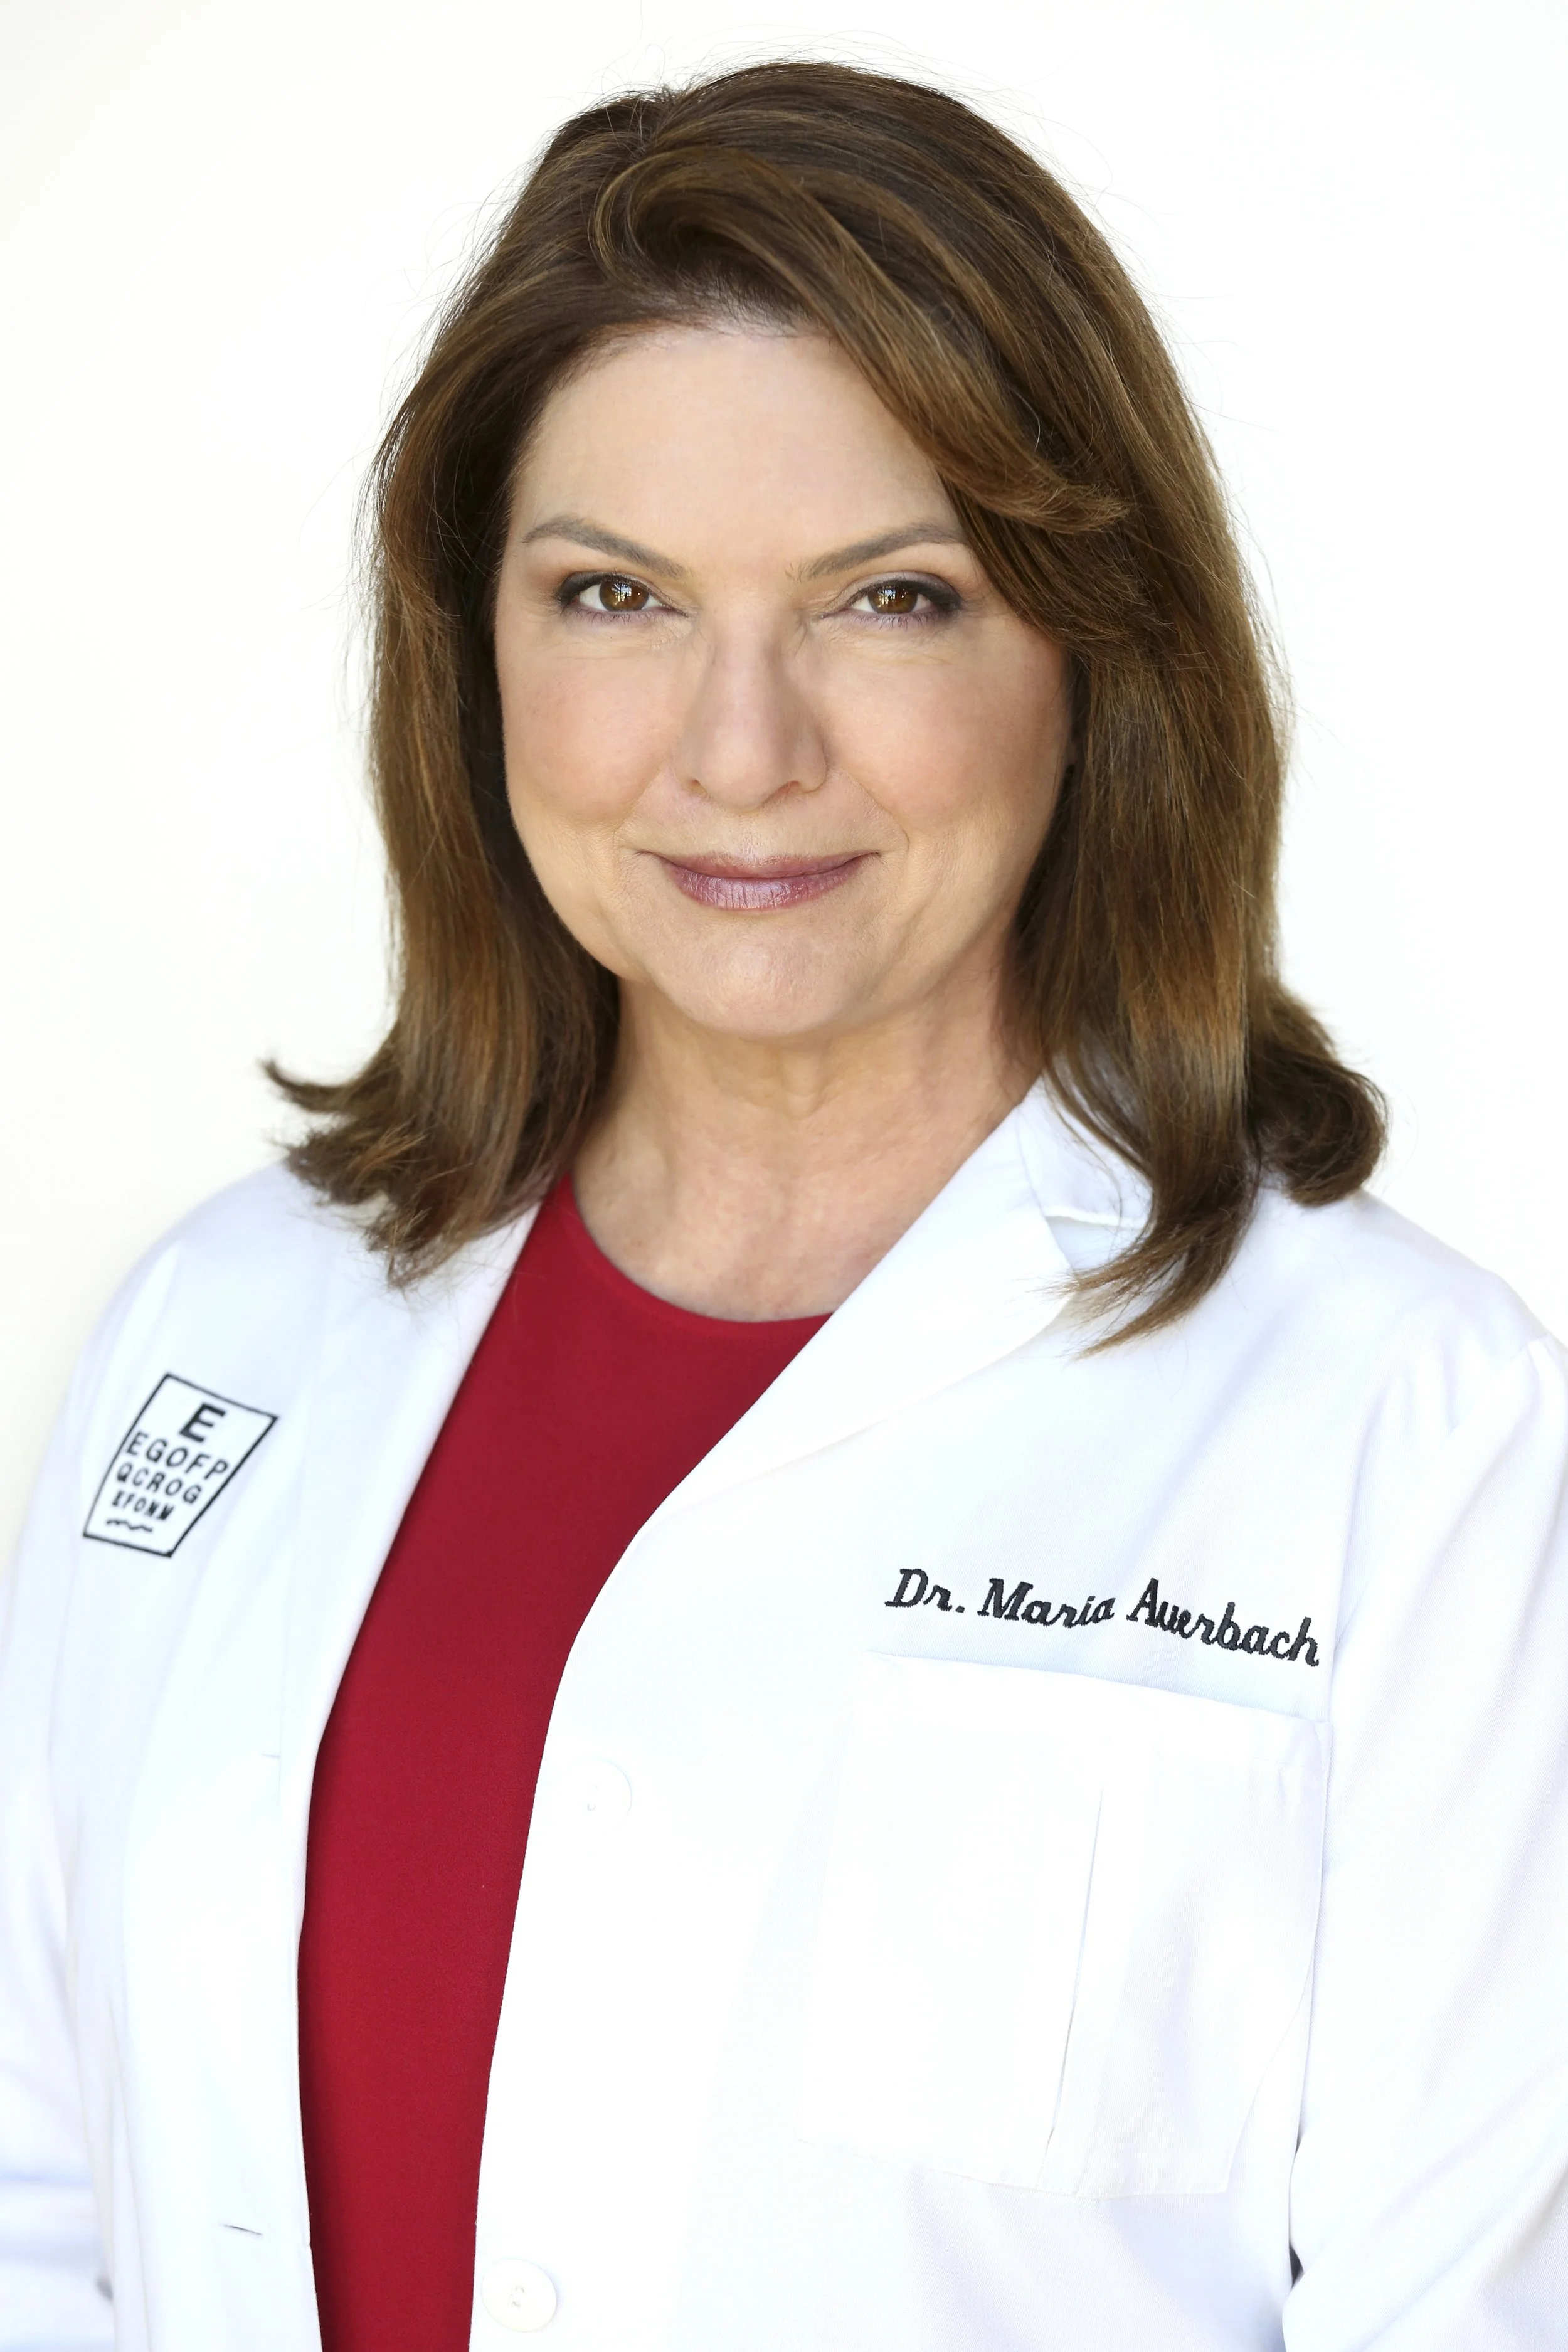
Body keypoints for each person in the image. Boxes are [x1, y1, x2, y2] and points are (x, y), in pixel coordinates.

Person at [2, 57, 1565, 2352]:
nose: (739, 749)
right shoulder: (220, 1330)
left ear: (1089, 659)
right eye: (616, 592)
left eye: (890, 600)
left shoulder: (1401, 1429)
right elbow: (50, 2194)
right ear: (479, 653)